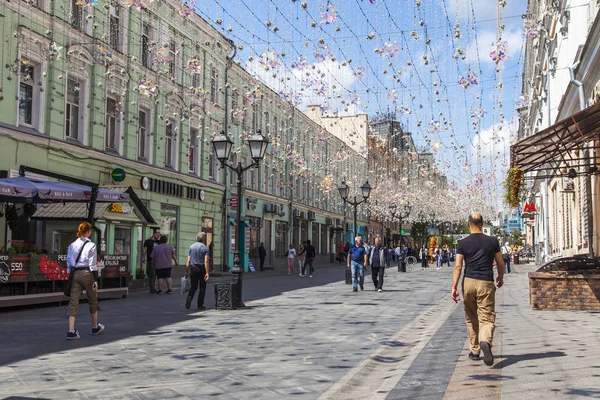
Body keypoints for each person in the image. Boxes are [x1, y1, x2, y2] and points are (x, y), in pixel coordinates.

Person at [451, 213, 504, 367]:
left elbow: (458, 266)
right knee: (486, 317)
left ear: (469, 224)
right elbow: (500, 263)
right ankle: (485, 341)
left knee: (471, 316)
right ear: (482, 224)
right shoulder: (492, 241)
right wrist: (500, 277)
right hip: (486, 282)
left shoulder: (462, 243)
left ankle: (475, 351)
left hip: (468, 282)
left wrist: (454, 287)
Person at [66, 221, 104, 339]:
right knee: (92, 299)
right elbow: (93, 265)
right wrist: (95, 280)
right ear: (87, 232)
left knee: (73, 301)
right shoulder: (91, 245)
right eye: (90, 231)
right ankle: (94, 326)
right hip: (87, 273)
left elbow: (68, 262)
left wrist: (69, 276)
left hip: (75, 273)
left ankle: (71, 330)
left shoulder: (71, 245)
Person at [185, 232, 210, 310]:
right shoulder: (205, 248)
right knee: (202, 287)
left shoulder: (191, 247)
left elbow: (188, 260)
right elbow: (206, 261)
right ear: (204, 239)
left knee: (193, 286)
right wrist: (207, 272)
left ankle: (188, 300)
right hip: (201, 268)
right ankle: (200, 305)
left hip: (193, 268)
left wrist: (186, 271)